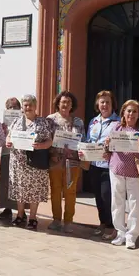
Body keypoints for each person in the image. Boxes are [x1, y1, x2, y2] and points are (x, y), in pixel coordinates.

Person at [104, 99, 139, 250]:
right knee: (117, 203)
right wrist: (106, 145)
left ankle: (132, 236)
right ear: (123, 113)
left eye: (134, 112)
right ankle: (120, 233)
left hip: (135, 173)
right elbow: (108, 151)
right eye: (128, 111)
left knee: (135, 205)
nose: (131, 114)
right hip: (117, 170)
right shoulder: (116, 128)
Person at [6, 94, 54, 230]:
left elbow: (49, 141)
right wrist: (8, 141)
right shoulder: (16, 121)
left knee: (34, 190)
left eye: (30, 105)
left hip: (35, 162)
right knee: (19, 189)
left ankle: (33, 217)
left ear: (35, 106)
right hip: (18, 163)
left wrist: (42, 146)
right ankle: (20, 215)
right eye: (25, 105)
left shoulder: (43, 122)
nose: (27, 107)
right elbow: (9, 136)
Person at [47, 91, 85, 233]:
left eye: (68, 102)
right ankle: (56, 219)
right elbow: (46, 138)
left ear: (72, 105)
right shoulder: (50, 120)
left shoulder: (78, 122)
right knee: (55, 191)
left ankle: (68, 221)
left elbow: (83, 140)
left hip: (73, 162)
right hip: (55, 161)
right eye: (63, 102)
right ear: (58, 103)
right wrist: (52, 154)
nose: (65, 104)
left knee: (70, 192)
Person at [84, 90, 120, 239]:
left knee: (107, 196)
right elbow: (88, 141)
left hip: (108, 165)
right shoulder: (93, 121)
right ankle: (103, 222)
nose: (104, 105)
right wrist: (83, 151)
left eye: (107, 102)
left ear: (112, 105)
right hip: (94, 164)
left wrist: (111, 151)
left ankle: (112, 225)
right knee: (98, 196)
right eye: (102, 102)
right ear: (97, 104)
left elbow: (120, 144)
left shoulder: (118, 123)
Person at [0, 97, 20, 221]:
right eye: (10, 107)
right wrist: (3, 130)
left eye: (15, 107)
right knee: (5, 182)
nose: (12, 109)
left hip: (20, 156)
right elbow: (0, 138)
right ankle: (7, 209)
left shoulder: (24, 122)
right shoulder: (3, 124)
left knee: (18, 183)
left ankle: (21, 211)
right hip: (6, 154)